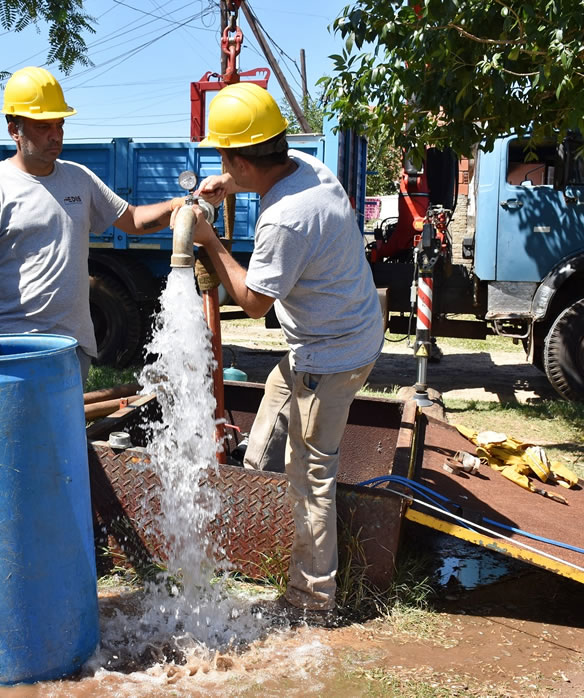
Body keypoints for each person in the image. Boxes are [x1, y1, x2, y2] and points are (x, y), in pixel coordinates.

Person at [189, 83, 384, 622]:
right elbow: (251, 163)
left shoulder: (285, 220)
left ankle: (311, 600)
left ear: (239, 157)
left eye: (226, 159)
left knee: (312, 474)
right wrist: (224, 185)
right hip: (349, 333)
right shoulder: (305, 167)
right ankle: (255, 478)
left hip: (330, 356)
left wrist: (211, 241)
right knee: (275, 406)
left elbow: (253, 302)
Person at [0, 66, 183, 382]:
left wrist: (176, 205)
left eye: (60, 125)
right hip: (16, 347)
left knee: (64, 430)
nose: (56, 135)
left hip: (72, 347)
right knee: (22, 431)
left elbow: (132, 220)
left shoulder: (79, 179)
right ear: (15, 130)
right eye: (43, 127)